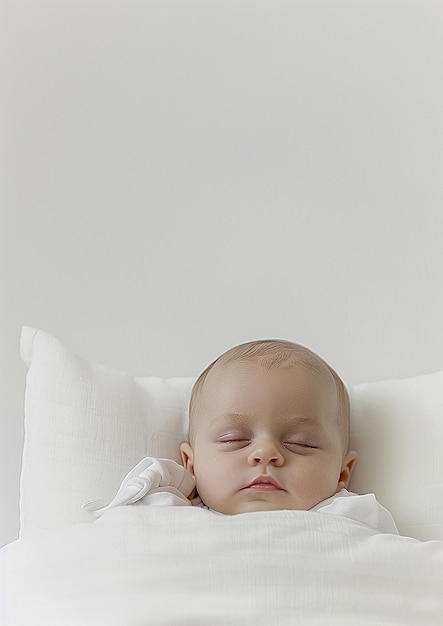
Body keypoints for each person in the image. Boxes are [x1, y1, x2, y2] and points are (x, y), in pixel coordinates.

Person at [84, 339, 398, 534]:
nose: (265, 453)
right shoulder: (167, 519)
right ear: (191, 465)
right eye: (234, 439)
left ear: (343, 473)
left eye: (301, 443)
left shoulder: (355, 520)